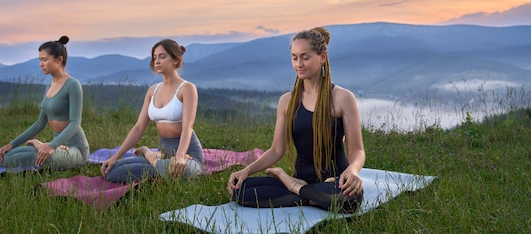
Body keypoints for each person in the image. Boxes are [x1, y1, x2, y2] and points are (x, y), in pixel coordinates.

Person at [227, 27, 365, 213]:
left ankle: (290, 184)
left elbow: (357, 150)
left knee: (349, 199)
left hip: (336, 181)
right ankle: (310, 195)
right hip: (304, 178)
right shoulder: (287, 101)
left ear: (322, 57)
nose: (299, 63)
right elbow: (277, 150)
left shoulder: (342, 98)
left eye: (305, 57)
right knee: (241, 190)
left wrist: (353, 170)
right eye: (294, 57)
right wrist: (246, 171)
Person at [100, 39, 204, 183]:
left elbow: (188, 127)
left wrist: (180, 156)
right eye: (155, 57)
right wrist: (115, 157)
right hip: (164, 153)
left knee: (183, 172)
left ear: (175, 60)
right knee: (111, 171)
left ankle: (149, 155)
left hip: (188, 154)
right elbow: (138, 127)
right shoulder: (152, 91)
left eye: (162, 56)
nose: (157, 61)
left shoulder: (187, 88)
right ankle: (159, 166)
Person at [0, 36, 89, 170]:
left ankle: (41, 145)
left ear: (59, 59)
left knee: (30, 159)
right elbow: (40, 123)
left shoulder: (73, 85)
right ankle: (40, 145)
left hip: (75, 150)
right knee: (8, 157)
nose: (41, 64)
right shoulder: (49, 86)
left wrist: (51, 146)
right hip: (57, 146)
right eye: (40, 60)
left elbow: (75, 123)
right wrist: (12, 144)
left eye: (44, 59)